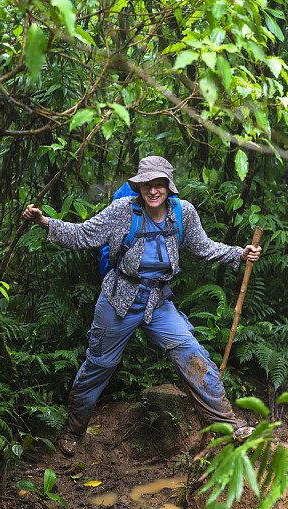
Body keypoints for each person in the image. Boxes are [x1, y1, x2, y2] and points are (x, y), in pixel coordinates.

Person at [23, 155, 261, 455]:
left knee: (192, 353)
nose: (153, 191)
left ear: (168, 186)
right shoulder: (123, 210)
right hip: (119, 298)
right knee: (99, 364)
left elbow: (204, 247)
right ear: (139, 185)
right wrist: (45, 222)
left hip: (158, 301)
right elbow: (84, 235)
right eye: (147, 184)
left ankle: (229, 425)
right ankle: (72, 429)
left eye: (159, 184)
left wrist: (239, 254)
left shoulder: (182, 212)